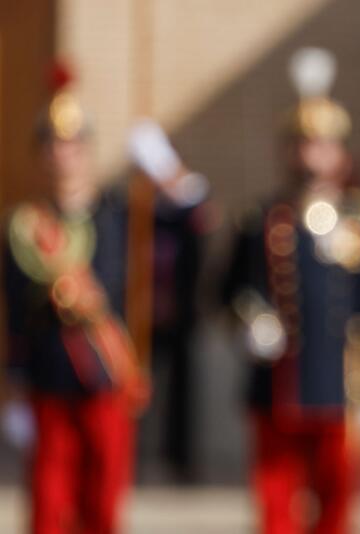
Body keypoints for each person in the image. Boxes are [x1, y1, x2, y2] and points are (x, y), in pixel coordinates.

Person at [1, 63, 206, 534]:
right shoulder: (25, 225)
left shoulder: (119, 213)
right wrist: (12, 385)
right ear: (42, 154)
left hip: (106, 374)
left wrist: (165, 168)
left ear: (88, 152)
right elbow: (14, 311)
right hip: (48, 377)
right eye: (55, 145)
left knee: (103, 505)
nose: (64, 156)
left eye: (74, 145)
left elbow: (195, 222)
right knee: (49, 506)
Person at [222, 47, 360, 534]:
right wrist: (250, 319)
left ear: (339, 153)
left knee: (338, 507)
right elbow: (229, 291)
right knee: (275, 506)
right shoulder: (258, 220)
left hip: (347, 385)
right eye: (300, 144)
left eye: (321, 145)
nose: (309, 155)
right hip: (279, 385)